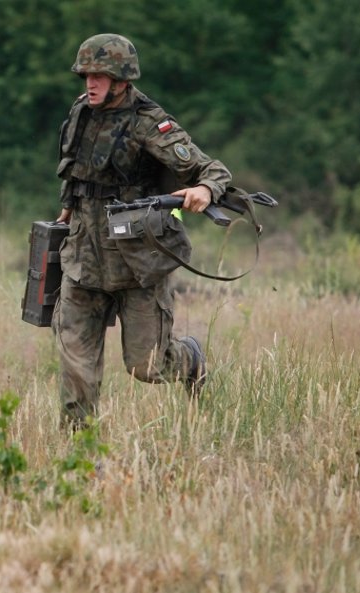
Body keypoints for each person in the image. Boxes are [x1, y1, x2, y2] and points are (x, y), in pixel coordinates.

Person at [52, 33, 231, 428]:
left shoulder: (150, 123)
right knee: (76, 367)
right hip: (83, 258)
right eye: (86, 75)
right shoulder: (80, 112)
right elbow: (74, 170)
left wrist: (204, 189)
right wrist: (67, 208)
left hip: (138, 261)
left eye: (99, 75)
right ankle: (78, 454)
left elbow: (212, 170)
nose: (90, 83)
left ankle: (190, 360)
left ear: (122, 80)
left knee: (148, 366)